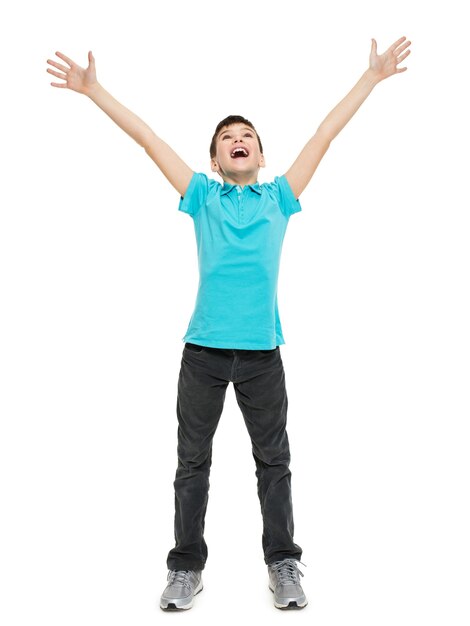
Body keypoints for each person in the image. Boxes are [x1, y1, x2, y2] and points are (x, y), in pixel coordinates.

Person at [46, 35, 411, 611]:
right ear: (215, 160)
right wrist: (94, 91)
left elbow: (324, 134)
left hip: (263, 354)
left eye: (248, 138)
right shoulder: (203, 197)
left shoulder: (279, 199)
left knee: (274, 463)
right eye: (227, 139)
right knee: (192, 463)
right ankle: (185, 566)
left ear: (260, 156)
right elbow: (148, 139)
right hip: (203, 354)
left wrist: (369, 79)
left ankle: (282, 563)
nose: (238, 142)